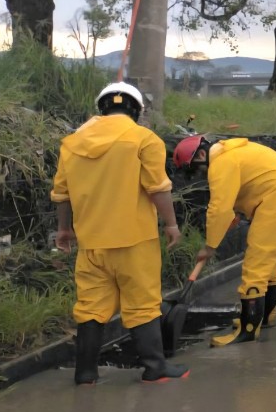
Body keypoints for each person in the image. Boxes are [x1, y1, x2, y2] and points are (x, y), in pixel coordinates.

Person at [51, 82, 189, 384]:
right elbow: (158, 188)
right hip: (134, 241)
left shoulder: (71, 144)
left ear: (102, 108)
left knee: (90, 306)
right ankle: (155, 367)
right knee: (142, 302)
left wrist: (64, 230)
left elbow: (61, 195)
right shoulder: (143, 139)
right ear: (137, 110)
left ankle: (86, 373)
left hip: (91, 244)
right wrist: (171, 224)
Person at [172, 134, 276, 346]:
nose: (201, 175)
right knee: (271, 264)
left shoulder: (221, 163)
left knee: (255, 266)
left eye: (197, 169)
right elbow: (248, 186)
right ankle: (264, 318)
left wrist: (210, 246)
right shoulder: (234, 152)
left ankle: (248, 329)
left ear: (202, 154)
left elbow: (218, 208)